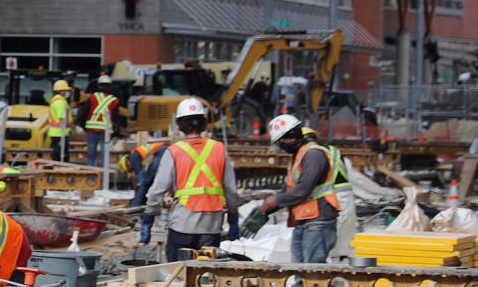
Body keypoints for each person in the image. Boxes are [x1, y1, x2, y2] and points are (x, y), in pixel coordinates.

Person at [141, 97, 239, 261]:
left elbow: (157, 190)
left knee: (178, 274)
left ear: (179, 124)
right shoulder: (219, 149)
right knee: (205, 278)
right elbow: (231, 190)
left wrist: (148, 219)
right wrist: (233, 218)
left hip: (183, 222)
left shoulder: (174, 151)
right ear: (204, 122)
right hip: (212, 224)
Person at [241, 114, 341, 264]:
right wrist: (266, 209)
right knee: (299, 271)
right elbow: (289, 187)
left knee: (312, 272)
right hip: (304, 220)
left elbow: (302, 191)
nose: (281, 145)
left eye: (282, 141)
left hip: (318, 220)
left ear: (292, 136)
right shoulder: (299, 156)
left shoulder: (313, 155)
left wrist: (276, 201)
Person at [120, 139, 168, 209]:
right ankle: (139, 202)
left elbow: (141, 177)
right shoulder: (139, 156)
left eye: (131, 169)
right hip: (165, 151)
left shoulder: (133, 157)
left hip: (160, 151)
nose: (133, 170)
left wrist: (137, 194)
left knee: (143, 181)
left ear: (127, 163)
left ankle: (135, 205)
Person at [84, 75, 119, 168]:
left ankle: (90, 178)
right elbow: (116, 119)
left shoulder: (92, 97)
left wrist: (82, 126)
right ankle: (104, 177)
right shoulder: (114, 100)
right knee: (105, 155)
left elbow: (84, 112)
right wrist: (116, 134)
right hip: (106, 131)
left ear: (99, 86)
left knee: (91, 154)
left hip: (92, 130)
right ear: (110, 86)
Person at [46, 79, 73, 161]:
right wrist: (74, 127)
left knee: (59, 154)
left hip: (60, 133)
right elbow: (63, 120)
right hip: (59, 133)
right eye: (66, 90)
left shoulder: (60, 100)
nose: (67, 92)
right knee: (61, 156)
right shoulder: (59, 102)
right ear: (61, 91)